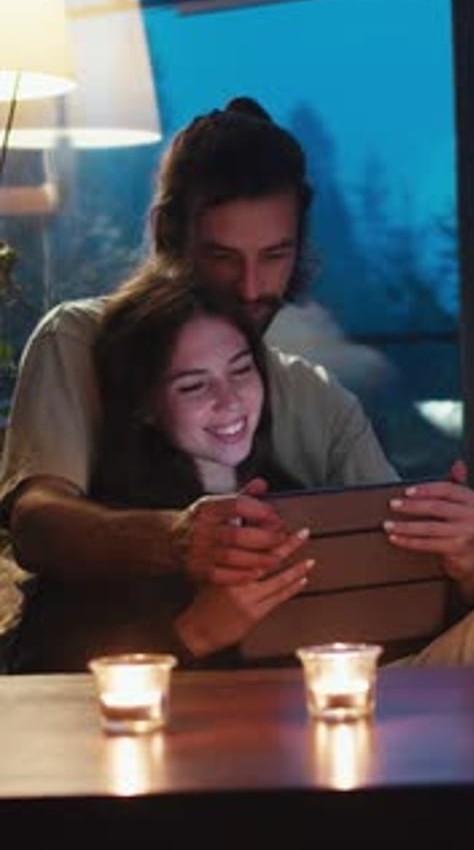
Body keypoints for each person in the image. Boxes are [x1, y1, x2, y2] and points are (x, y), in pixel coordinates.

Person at [0, 96, 474, 667]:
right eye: (223, 256)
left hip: (318, 675)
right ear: (168, 234)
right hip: (131, 671)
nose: (251, 286)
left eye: (275, 255)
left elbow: (392, 574)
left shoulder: (316, 396)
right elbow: (36, 522)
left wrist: (462, 560)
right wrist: (175, 540)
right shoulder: (83, 338)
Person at [6, 268, 314, 672]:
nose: (230, 400)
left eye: (241, 370)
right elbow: (41, 683)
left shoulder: (299, 500)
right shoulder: (106, 536)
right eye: (193, 386)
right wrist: (194, 633)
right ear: (145, 406)